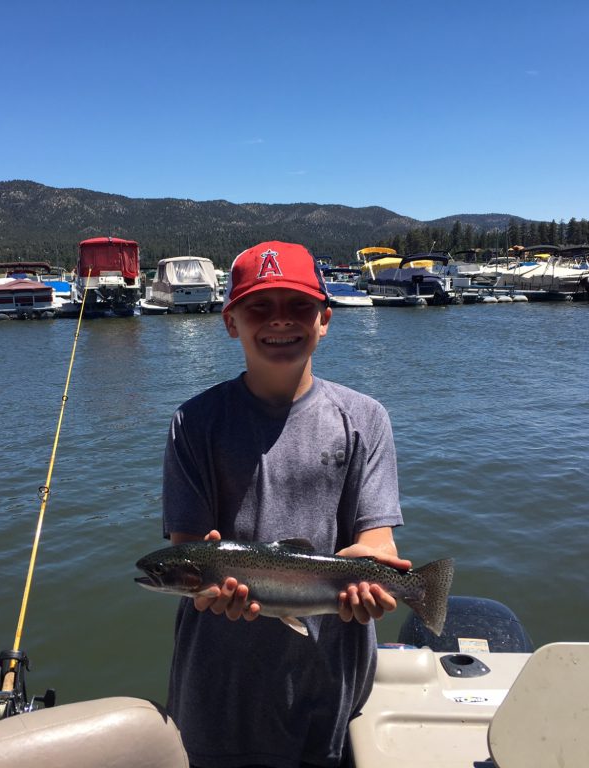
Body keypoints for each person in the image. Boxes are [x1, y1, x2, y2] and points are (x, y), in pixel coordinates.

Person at [161, 241, 410, 768]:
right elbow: (189, 551)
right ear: (230, 322)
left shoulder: (366, 418)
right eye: (259, 306)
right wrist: (212, 587)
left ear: (325, 320)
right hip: (218, 688)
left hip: (329, 680)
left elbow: (377, 540)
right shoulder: (194, 423)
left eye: (299, 305)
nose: (280, 320)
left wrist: (375, 570)